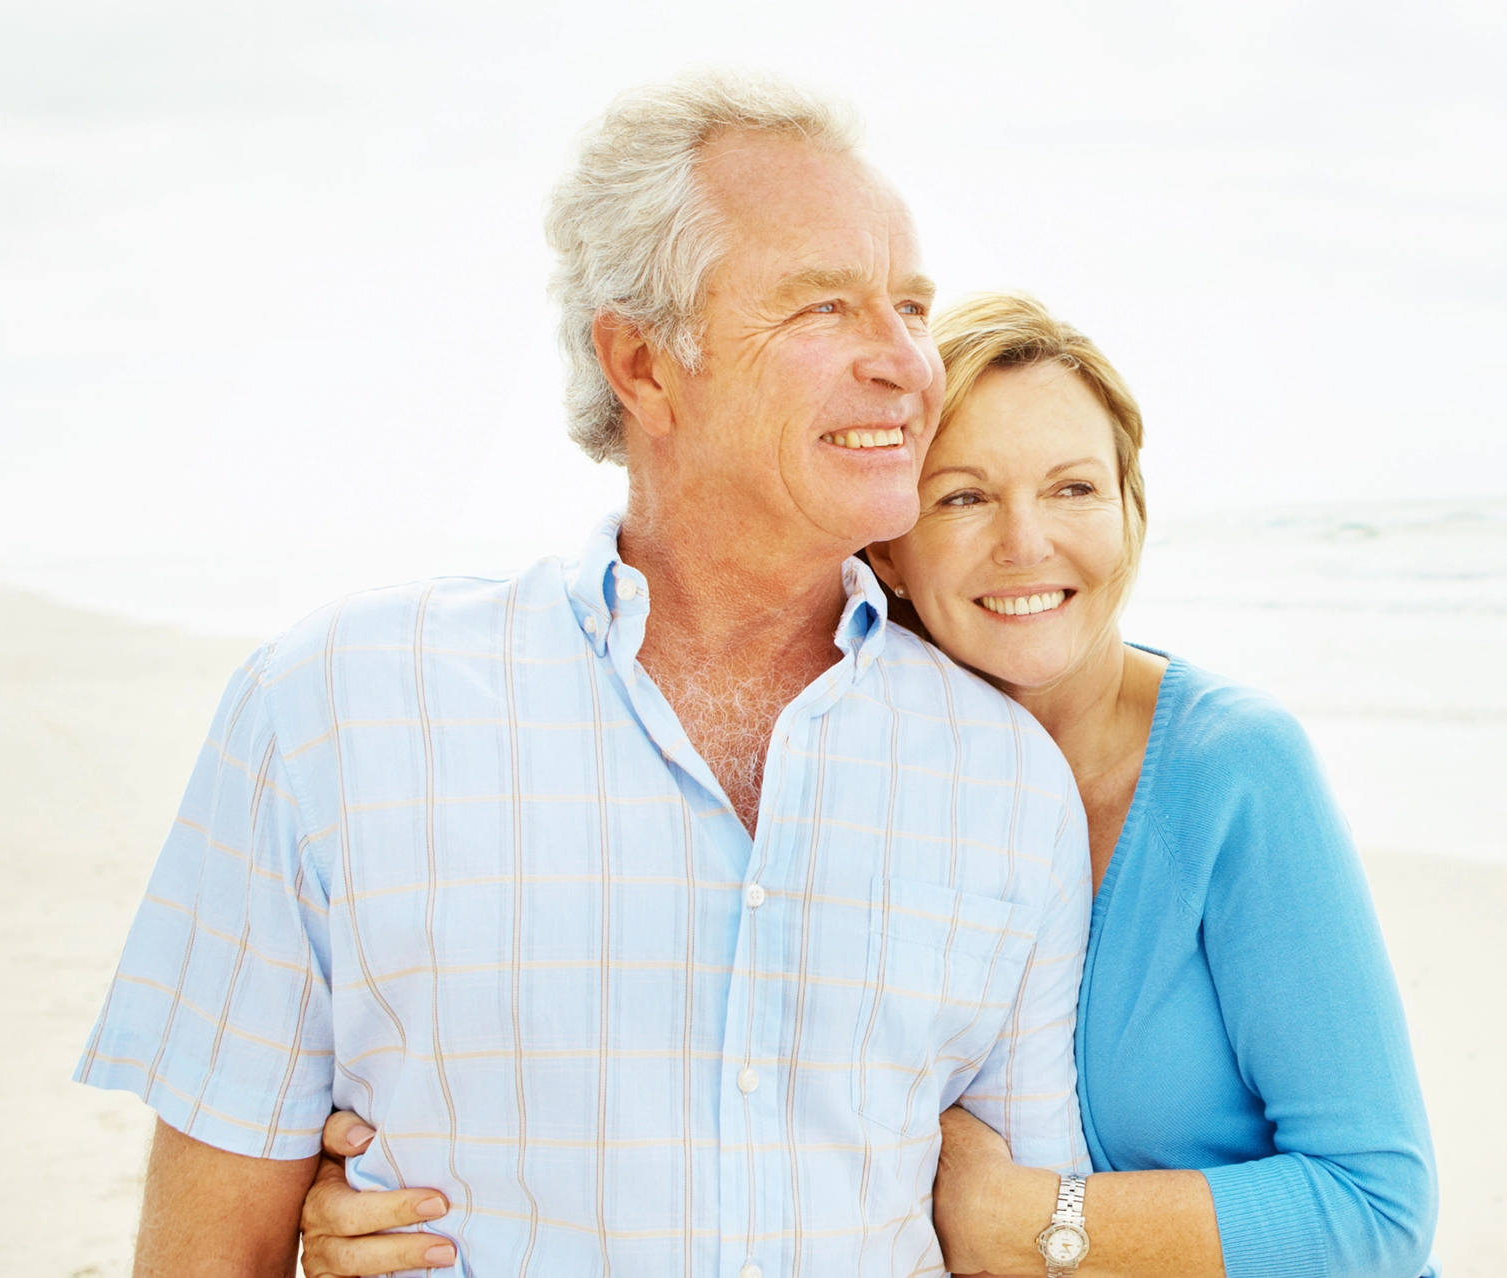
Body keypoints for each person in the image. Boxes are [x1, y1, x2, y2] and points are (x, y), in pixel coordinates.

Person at [74, 74, 1094, 1276]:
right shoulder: (336, 710)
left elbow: (1020, 1242)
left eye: (911, 307)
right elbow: (202, 1250)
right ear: (644, 362)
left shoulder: (1006, 782)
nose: (906, 364)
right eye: (824, 308)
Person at [304, 292, 1440, 1278]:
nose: (1027, 542)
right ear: (887, 541)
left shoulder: (1234, 769)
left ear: (1132, 510)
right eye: (962, 498)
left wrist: (1038, 1222)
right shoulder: (857, 775)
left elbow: (1379, 1210)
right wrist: (404, 1180)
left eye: (1077, 488)